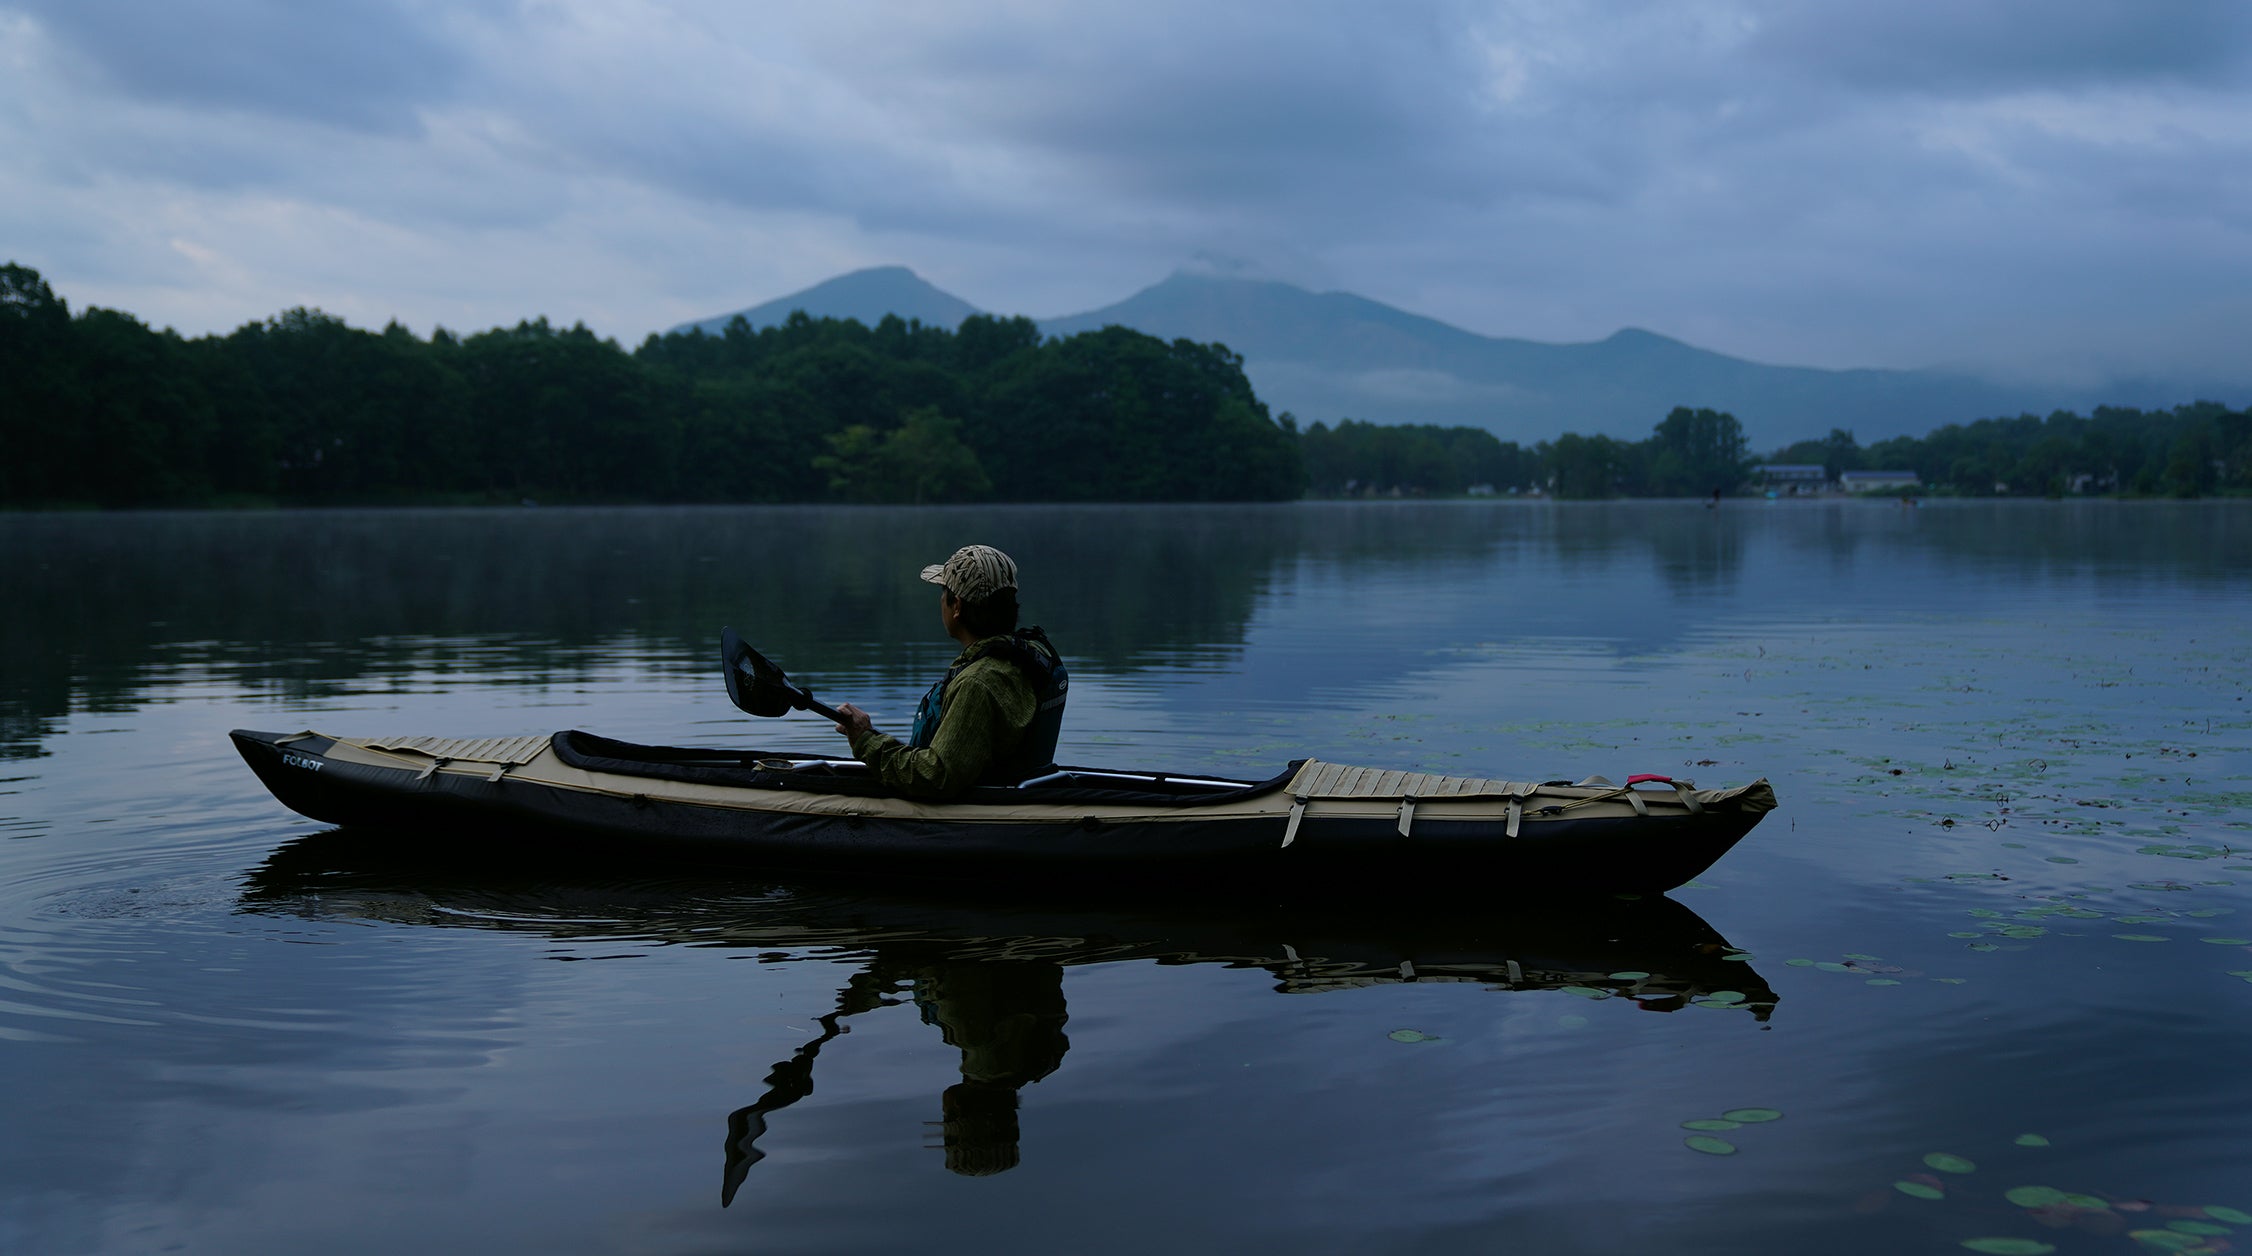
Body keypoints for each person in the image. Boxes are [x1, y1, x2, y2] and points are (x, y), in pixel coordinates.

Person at [832, 544, 1067, 799]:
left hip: (979, 816)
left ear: (957, 606)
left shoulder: (978, 683)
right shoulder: (1029, 658)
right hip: (1018, 797)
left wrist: (866, 742)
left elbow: (935, 776)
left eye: (944, 592)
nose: (941, 600)